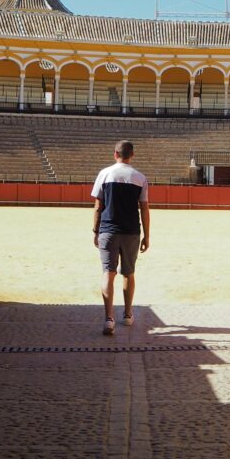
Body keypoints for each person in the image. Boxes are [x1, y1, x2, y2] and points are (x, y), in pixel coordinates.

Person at [91, 140, 150, 336]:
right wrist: (147, 235)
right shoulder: (140, 177)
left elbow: (98, 206)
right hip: (132, 231)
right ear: (131, 155)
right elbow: (144, 209)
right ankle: (127, 314)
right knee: (128, 273)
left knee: (108, 272)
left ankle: (109, 319)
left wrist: (95, 231)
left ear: (115, 154)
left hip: (108, 230)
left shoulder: (104, 174)